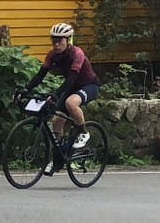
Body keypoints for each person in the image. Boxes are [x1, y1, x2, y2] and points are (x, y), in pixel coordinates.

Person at [21, 23, 100, 171]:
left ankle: (84, 132)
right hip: (72, 88)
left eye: (60, 41)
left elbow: (71, 79)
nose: (56, 44)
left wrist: (56, 94)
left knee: (71, 103)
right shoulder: (52, 55)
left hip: (89, 86)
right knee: (57, 120)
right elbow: (40, 75)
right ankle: (58, 157)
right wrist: (26, 89)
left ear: (68, 40)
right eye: (54, 41)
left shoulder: (77, 54)